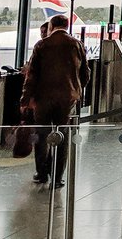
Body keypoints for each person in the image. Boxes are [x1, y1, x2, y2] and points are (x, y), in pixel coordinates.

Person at [20, 15, 90, 188]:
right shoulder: (76, 44)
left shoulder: (41, 45)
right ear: (67, 25)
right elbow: (85, 73)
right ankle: (57, 177)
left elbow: (32, 75)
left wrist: (25, 99)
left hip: (43, 98)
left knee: (42, 135)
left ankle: (41, 173)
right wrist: (76, 90)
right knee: (62, 136)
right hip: (67, 99)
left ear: (51, 26)